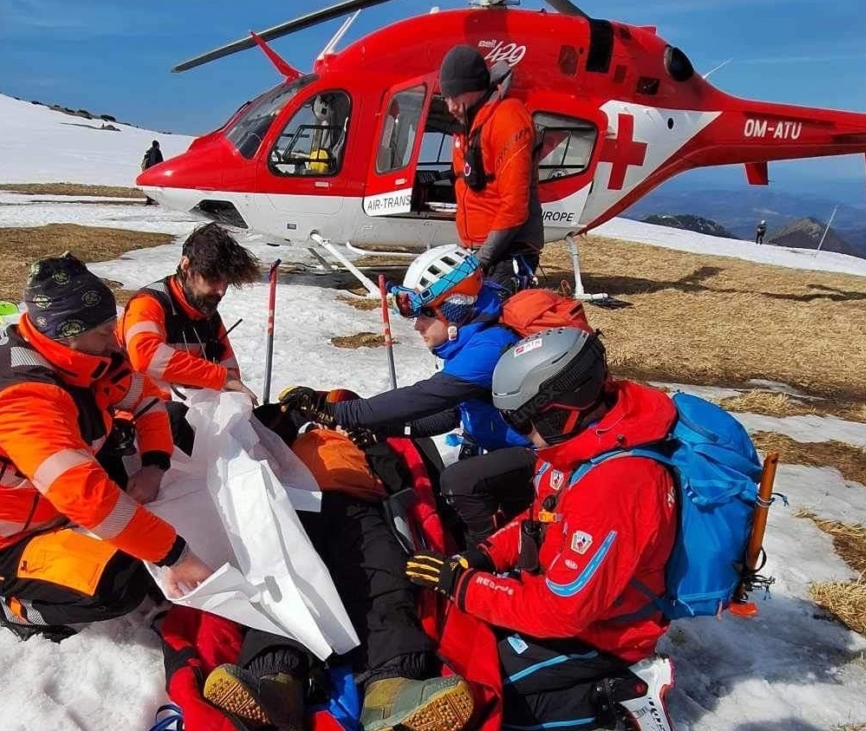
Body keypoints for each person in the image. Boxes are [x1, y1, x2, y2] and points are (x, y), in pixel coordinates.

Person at [0, 253, 214, 641]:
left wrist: (154, 466)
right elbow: (86, 498)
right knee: (118, 585)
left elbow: (147, 401)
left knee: (175, 420)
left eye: (112, 328)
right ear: (65, 332)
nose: (113, 342)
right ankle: (12, 606)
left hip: (48, 503)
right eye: (101, 333)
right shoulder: (23, 399)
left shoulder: (85, 357)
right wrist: (177, 555)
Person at [403, 327, 678, 730]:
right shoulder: (577, 446)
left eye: (522, 418)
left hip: (604, 634)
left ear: (558, 409)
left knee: (478, 695)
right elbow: (539, 519)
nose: (518, 431)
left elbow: (562, 612)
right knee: (456, 642)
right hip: (565, 599)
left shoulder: (617, 484)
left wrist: (465, 586)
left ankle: (625, 694)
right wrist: (484, 555)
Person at [197, 402, 474, 731]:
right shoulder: (289, 437)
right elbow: (254, 431)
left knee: (381, 577)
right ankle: (276, 685)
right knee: (284, 580)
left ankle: (390, 689)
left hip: (361, 503)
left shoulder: (361, 441)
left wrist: (371, 440)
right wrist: (295, 414)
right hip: (294, 503)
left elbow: (398, 479)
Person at [281, 245, 535, 548]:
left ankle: (494, 557)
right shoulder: (472, 334)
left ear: (454, 307)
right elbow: (451, 414)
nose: (417, 326)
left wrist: (337, 411)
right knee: (452, 481)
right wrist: (382, 428)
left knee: (460, 481)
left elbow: (428, 396)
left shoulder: (491, 344)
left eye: (425, 315)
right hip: (501, 446)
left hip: (542, 456)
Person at [119, 222, 262, 447]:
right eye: (213, 279)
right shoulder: (149, 304)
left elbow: (230, 373)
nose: (221, 291)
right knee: (176, 419)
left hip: (191, 415)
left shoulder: (208, 316)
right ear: (186, 266)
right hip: (135, 418)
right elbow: (146, 355)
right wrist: (219, 377)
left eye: (226, 282)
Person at [439, 44, 544, 290]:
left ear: (474, 89)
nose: (450, 106)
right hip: (479, 253)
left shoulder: (507, 118)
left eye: (455, 96)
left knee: (492, 324)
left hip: (506, 254)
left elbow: (514, 205)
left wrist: (481, 259)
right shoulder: (467, 128)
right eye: (446, 97)